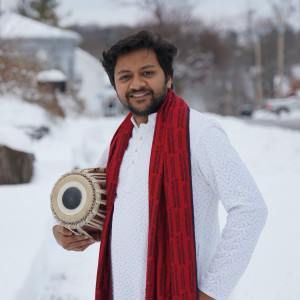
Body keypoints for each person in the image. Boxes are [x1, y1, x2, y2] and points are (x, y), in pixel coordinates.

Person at [53, 30, 268, 300]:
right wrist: (64, 233)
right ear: (116, 85)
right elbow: (95, 203)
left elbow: (250, 209)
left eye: (147, 72)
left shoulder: (200, 133)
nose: (136, 84)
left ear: (168, 77)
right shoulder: (121, 140)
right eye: (125, 77)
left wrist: (212, 291)